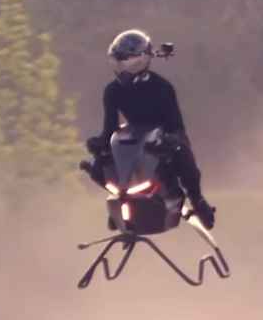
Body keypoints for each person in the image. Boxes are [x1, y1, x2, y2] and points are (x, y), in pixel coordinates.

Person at [82, 29, 216, 229]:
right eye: (119, 63)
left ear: (142, 61)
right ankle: (123, 200)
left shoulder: (162, 88)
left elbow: (176, 126)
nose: (123, 69)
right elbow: (109, 128)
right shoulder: (112, 91)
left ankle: (198, 202)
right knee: (99, 164)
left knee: (182, 154)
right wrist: (98, 144)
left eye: (128, 63)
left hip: (164, 134)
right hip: (134, 135)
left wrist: (172, 140)